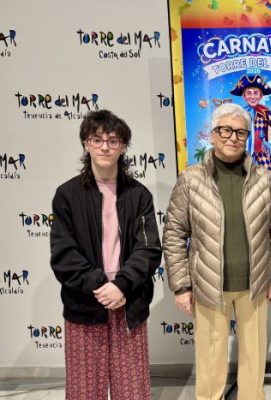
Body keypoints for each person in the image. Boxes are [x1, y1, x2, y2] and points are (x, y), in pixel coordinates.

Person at [162, 103, 271, 400]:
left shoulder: (264, 178)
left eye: (240, 132)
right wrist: (181, 286)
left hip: (255, 284)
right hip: (208, 284)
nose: (233, 137)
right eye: (225, 130)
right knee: (210, 358)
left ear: (247, 137)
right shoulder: (191, 179)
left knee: (254, 359)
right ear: (213, 134)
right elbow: (174, 234)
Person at [50, 109, 162, 400]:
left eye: (113, 141)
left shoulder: (139, 195)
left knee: (132, 391)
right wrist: (100, 285)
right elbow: (63, 253)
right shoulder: (67, 195)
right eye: (96, 139)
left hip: (129, 302)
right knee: (85, 392)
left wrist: (121, 285)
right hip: (85, 303)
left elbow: (148, 249)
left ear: (123, 147)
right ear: (85, 144)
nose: (104, 147)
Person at [231, 73, 271, 171]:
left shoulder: (265, 112)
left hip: (262, 151)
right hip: (243, 151)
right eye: (249, 93)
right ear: (244, 96)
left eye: (256, 93)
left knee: (267, 174)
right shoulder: (240, 113)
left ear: (261, 95)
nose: (252, 97)